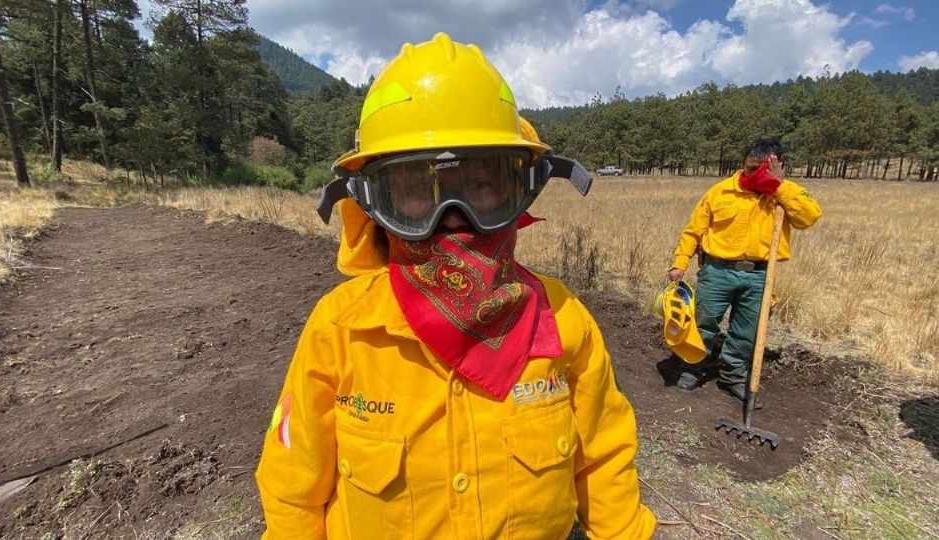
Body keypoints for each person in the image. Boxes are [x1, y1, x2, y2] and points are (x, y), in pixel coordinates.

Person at [255, 32, 656, 539]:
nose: (452, 220)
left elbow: (605, 462)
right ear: (375, 204)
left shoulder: (562, 320)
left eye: (482, 186)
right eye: (419, 190)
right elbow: (293, 490)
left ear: (522, 190)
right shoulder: (341, 330)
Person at [667, 138, 822, 403]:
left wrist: (779, 187)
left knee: (746, 330)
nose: (752, 175)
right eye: (749, 168)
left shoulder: (787, 194)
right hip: (717, 270)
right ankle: (693, 368)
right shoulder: (720, 192)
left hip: (760, 274)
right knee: (704, 322)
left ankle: (732, 376)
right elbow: (693, 231)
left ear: (777, 167)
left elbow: (809, 217)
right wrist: (680, 262)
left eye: (760, 170)